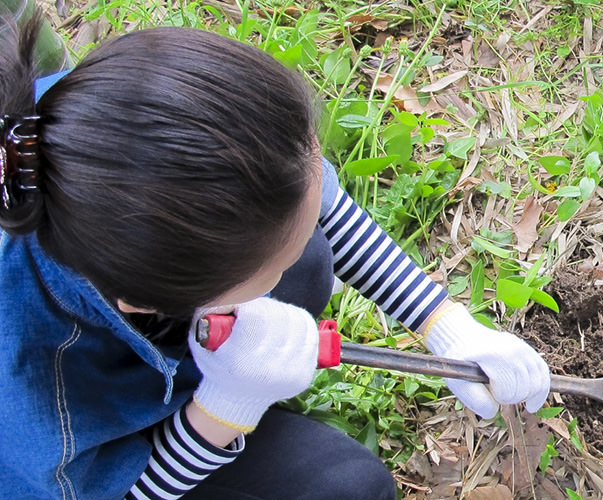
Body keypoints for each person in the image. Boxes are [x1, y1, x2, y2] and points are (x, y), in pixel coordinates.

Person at [0, 7, 550, 500]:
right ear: (145, 302)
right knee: (347, 489)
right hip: (103, 454)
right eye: (267, 271)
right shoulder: (30, 388)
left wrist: (446, 326)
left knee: (305, 254)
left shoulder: (82, 131)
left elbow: (316, 198)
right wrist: (224, 408)